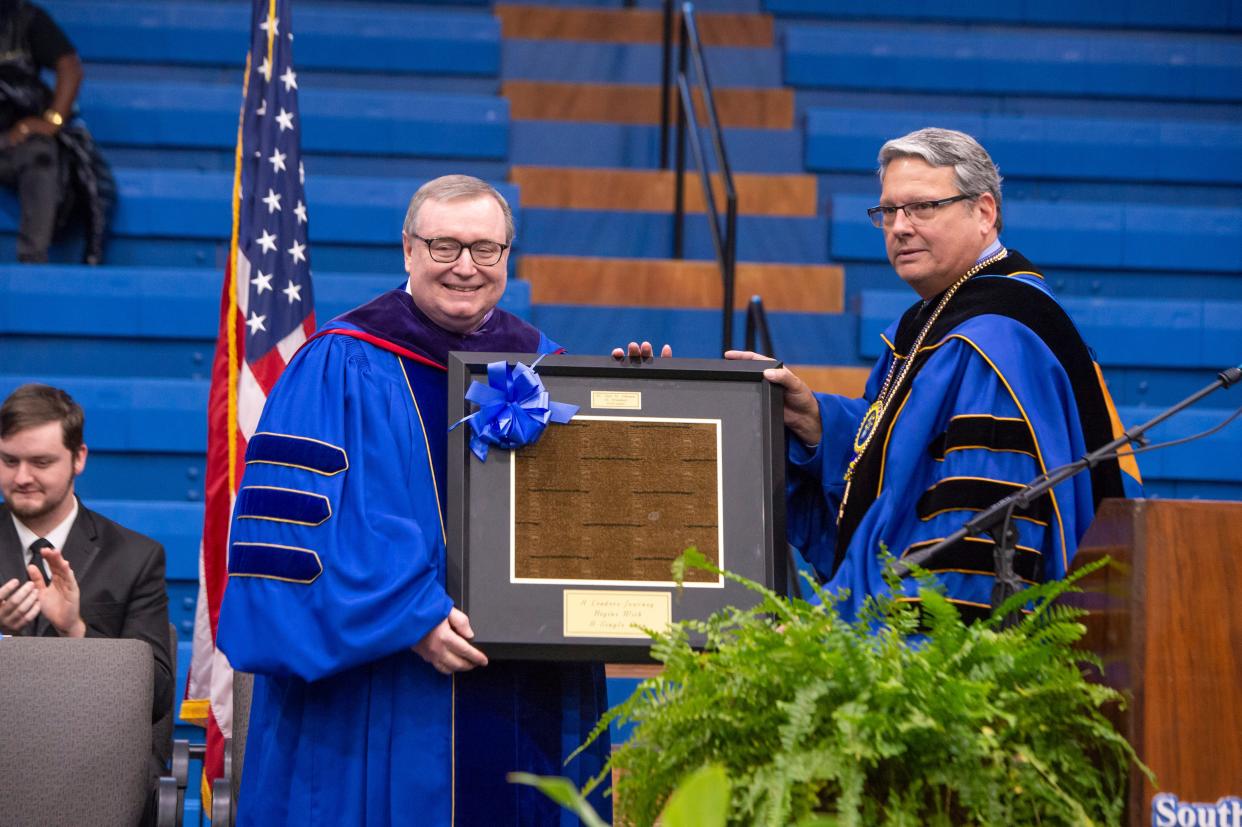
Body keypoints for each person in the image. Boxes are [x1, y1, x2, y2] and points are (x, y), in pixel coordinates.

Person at [217, 174, 610, 826]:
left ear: (508, 256)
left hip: (521, 695)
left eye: (485, 249)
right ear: (407, 249)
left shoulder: (547, 368)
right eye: (444, 245)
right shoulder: (337, 362)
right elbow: (292, 540)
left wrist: (637, 400)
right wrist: (412, 616)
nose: (465, 267)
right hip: (380, 693)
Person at [730, 128, 1141, 621]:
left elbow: (975, 528)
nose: (899, 227)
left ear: (984, 212)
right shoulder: (932, 322)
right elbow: (899, 457)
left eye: (922, 207)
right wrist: (815, 420)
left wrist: (909, 634)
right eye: (888, 211)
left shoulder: (998, 339)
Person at [0, 383, 173, 791]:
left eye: (41, 462)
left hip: (91, 770)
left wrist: (75, 630)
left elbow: (158, 696)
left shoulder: (135, 557)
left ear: (79, 458)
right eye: (9, 461)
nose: (22, 477)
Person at [0, 0, 113, 264]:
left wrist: (53, 120)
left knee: (42, 154)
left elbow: (69, 65)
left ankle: (33, 258)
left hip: (15, 140)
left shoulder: (25, 18)